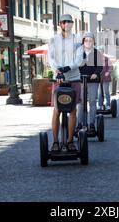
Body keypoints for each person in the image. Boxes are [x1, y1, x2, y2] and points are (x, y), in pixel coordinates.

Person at [48, 14, 83, 152]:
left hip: (74, 77)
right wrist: (58, 69)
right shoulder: (54, 40)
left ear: (72, 24)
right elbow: (50, 57)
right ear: (60, 24)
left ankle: (70, 142)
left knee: (73, 110)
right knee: (57, 110)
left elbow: (79, 58)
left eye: (69, 22)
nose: (67, 24)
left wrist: (69, 67)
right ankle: (55, 142)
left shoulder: (77, 40)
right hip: (59, 78)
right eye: (64, 22)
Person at [76, 32, 104, 135]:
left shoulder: (97, 53)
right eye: (86, 40)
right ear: (83, 42)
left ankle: (91, 124)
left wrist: (95, 74)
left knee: (92, 102)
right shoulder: (79, 52)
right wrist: (77, 73)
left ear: (93, 42)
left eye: (90, 40)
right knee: (81, 102)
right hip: (81, 80)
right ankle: (79, 124)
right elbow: (75, 65)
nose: (88, 42)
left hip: (93, 80)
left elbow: (100, 66)